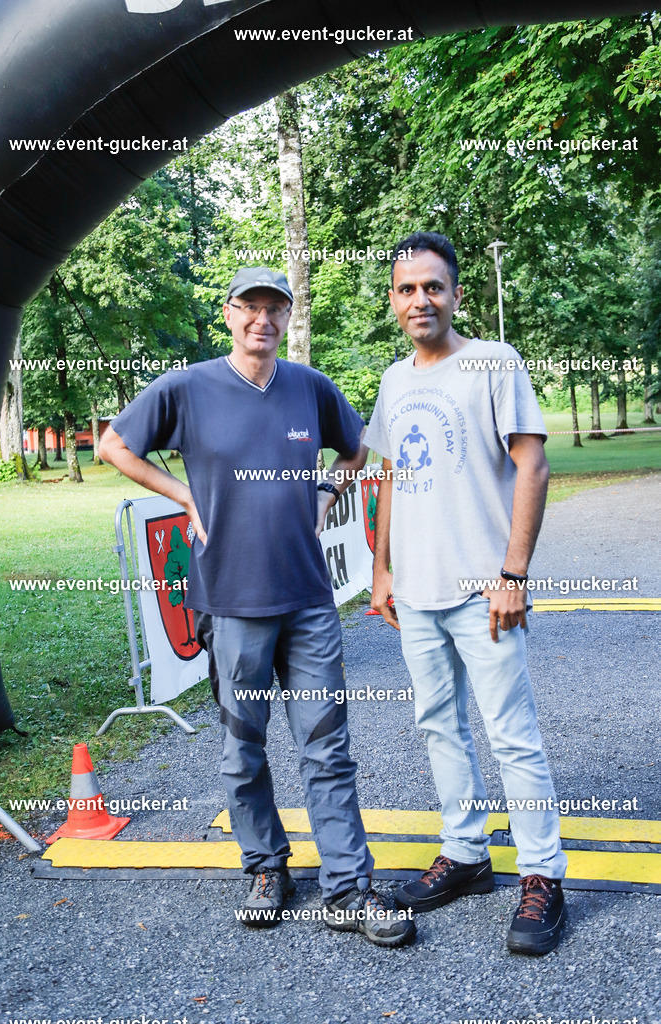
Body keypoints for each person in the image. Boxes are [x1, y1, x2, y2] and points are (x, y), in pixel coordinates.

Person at [99, 266, 415, 948]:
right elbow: (113, 445)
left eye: (275, 308)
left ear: (287, 317)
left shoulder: (310, 387)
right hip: (232, 603)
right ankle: (267, 867)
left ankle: (348, 888)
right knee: (243, 750)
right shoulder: (188, 388)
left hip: (308, 602)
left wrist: (326, 496)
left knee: (327, 748)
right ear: (229, 313)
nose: (262, 320)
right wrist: (183, 496)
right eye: (250, 307)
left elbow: (358, 450)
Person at [365, 232, 567, 955]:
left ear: (455, 294)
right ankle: (466, 853)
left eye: (433, 286)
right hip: (416, 592)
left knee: (512, 734)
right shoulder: (394, 380)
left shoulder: (493, 362)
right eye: (406, 289)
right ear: (394, 301)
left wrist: (513, 575)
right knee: (438, 726)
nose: (420, 299)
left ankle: (542, 875)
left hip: (486, 590)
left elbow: (532, 466)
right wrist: (382, 569)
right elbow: (390, 477)